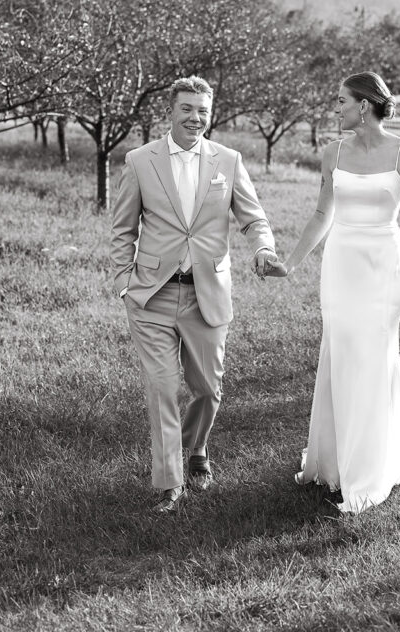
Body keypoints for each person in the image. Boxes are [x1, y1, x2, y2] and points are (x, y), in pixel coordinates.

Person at [266, 71, 400, 514]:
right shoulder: (332, 153)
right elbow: (320, 214)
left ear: (364, 105)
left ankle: (369, 474)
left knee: (372, 357)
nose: (336, 109)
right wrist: (289, 264)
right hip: (342, 264)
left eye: (341, 102)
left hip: (385, 267)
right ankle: (332, 463)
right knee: (341, 352)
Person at [111, 76, 281, 514]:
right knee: (163, 388)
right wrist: (122, 282)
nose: (195, 117)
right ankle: (170, 482)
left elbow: (253, 217)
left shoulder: (228, 159)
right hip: (152, 295)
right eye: (187, 108)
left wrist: (263, 247)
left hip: (208, 293)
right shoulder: (139, 160)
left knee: (207, 388)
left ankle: (196, 449)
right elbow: (122, 228)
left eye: (203, 110)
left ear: (211, 113)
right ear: (170, 111)